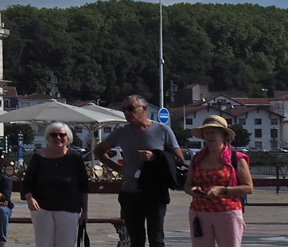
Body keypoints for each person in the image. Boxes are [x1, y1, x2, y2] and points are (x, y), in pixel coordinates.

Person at [95, 94, 183, 246]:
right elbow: (99, 151)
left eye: (130, 108)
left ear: (144, 109)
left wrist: (155, 156)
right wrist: (118, 168)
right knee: (135, 240)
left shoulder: (162, 130)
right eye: (124, 109)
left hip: (155, 192)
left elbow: (179, 158)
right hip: (130, 193)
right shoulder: (121, 132)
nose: (126, 113)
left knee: (156, 238)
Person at [183, 115, 253, 246]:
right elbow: (187, 185)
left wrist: (222, 190)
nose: (209, 136)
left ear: (223, 135)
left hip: (227, 213)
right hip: (199, 212)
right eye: (206, 133)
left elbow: (248, 187)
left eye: (213, 132)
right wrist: (193, 190)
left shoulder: (236, 158)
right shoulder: (197, 158)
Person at [22, 121, 90, 246]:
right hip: (42, 208)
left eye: (62, 135)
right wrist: (29, 198)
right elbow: (27, 182)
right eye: (54, 135)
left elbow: (83, 186)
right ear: (48, 137)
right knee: (43, 244)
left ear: (68, 138)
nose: (58, 138)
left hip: (69, 208)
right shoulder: (38, 157)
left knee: (66, 244)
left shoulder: (75, 158)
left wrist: (85, 211)